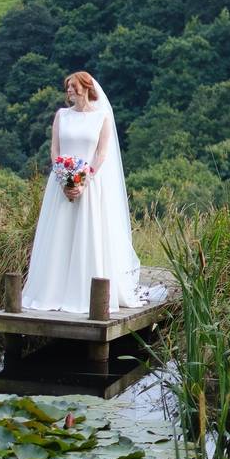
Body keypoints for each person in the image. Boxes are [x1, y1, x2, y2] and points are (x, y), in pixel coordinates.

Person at [22, 71, 146, 313]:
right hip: (60, 185)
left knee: (89, 237)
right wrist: (64, 179)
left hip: (89, 185)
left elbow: (101, 154)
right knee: (58, 236)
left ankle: (85, 294)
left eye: (73, 86)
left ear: (86, 88)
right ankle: (52, 291)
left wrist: (83, 180)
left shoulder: (102, 118)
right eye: (67, 86)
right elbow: (55, 150)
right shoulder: (62, 116)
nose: (69, 90)